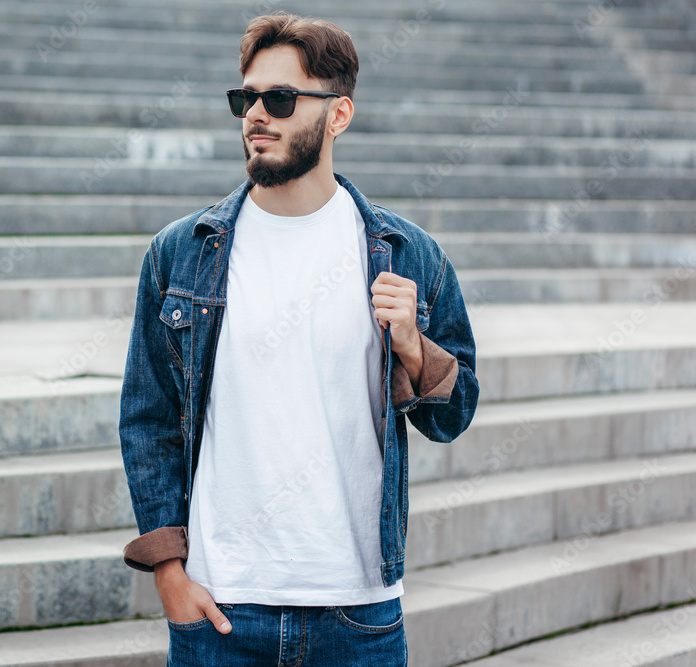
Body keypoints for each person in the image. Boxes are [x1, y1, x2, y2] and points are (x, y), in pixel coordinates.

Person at [118, 12, 479, 666]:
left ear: (337, 114)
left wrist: (413, 349)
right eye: (245, 98)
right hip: (222, 605)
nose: (257, 114)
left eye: (279, 98)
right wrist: (171, 573)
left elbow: (455, 415)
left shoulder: (407, 257)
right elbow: (147, 422)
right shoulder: (180, 256)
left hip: (358, 610)